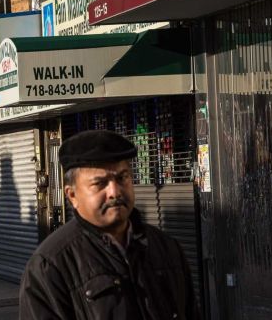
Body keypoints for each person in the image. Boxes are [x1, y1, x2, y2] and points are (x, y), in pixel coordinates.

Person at [19, 130, 199, 320]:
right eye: (100, 183)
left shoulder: (165, 247)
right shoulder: (50, 265)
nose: (115, 192)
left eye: (122, 178)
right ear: (72, 195)